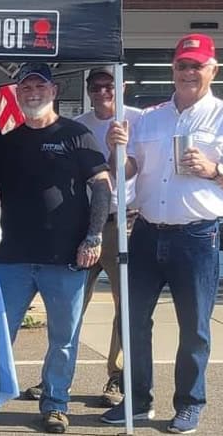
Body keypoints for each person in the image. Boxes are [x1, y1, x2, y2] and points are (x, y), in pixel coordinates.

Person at [102, 34, 223, 434]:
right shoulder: (151, 117)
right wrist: (115, 149)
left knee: (194, 327)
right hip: (146, 232)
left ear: (212, 71)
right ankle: (138, 401)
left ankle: (189, 403)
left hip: (196, 237)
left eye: (197, 65)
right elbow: (128, 171)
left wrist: (215, 170)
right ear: (173, 70)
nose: (188, 72)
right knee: (133, 320)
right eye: (182, 65)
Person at [0, 62, 112, 434]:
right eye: (26, 87)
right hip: (13, 257)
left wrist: (93, 237)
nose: (33, 92)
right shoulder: (7, 141)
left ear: (54, 91)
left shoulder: (77, 135)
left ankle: (55, 404)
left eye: (40, 86)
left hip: (66, 258)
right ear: (18, 93)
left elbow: (101, 187)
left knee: (63, 339)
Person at [72, 66, 142, 408]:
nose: (102, 92)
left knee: (123, 305)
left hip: (121, 223)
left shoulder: (138, 120)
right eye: (95, 86)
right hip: (81, 224)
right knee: (70, 301)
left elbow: (132, 169)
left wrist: (121, 149)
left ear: (122, 86)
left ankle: (117, 377)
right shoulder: (79, 125)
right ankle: (58, 376)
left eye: (108, 86)